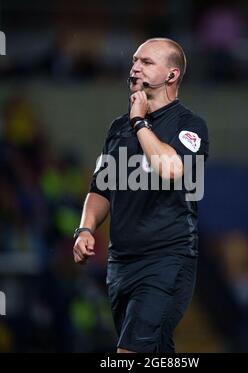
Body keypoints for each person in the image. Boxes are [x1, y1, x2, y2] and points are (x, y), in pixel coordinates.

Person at [73, 37, 209, 353]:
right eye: (135, 60)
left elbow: (171, 169)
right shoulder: (117, 128)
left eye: (146, 62)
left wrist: (139, 122)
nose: (134, 68)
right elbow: (101, 188)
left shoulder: (190, 126)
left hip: (167, 259)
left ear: (172, 75)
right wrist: (85, 228)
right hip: (120, 264)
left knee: (129, 352)